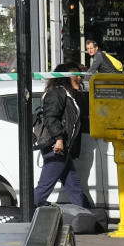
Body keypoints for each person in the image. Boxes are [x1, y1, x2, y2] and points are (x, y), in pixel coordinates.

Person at [34, 63, 90, 207]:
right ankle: (25, 214)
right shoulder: (57, 92)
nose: (79, 78)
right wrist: (59, 139)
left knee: (73, 184)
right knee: (45, 186)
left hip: (62, 148)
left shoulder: (67, 94)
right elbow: (50, 117)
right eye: (75, 75)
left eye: (80, 75)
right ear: (64, 77)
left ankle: (87, 214)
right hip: (56, 148)